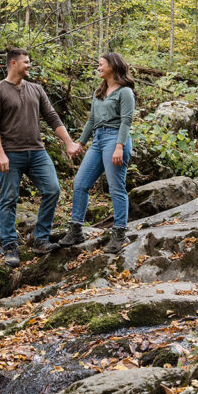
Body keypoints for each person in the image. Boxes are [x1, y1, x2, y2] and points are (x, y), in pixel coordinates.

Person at [0, 48, 82, 267]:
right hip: (10, 154)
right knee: (9, 199)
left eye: (29, 62)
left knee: (52, 190)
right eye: (26, 62)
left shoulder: (36, 89)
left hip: (37, 152)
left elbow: (51, 116)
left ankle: (40, 239)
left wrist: (68, 142)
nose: (29, 65)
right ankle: (10, 246)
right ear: (13, 64)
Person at [60, 52, 136, 254]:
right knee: (80, 183)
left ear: (113, 66)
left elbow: (126, 121)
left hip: (115, 139)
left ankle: (120, 233)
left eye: (101, 64)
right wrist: (80, 144)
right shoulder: (99, 92)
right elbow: (91, 121)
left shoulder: (125, 92)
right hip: (98, 140)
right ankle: (76, 230)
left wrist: (119, 146)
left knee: (116, 187)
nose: (98, 67)